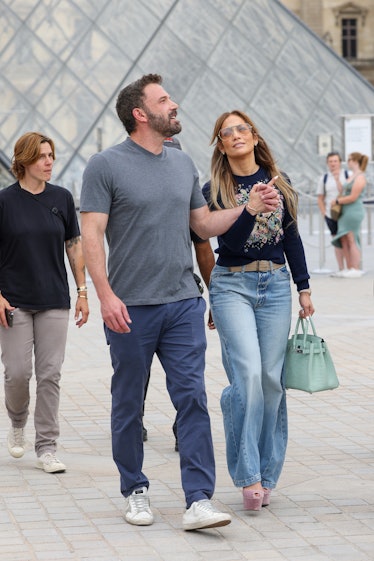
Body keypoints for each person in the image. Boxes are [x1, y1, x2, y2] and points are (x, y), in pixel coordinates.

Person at [80, 74, 279, 530]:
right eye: (164, 100)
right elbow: (91, 234)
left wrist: (246, 210)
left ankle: (198, 499)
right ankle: (136, 490)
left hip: (183, 302)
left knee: (192, 399)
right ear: (140, 113)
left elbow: (205, 225)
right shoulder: (104, 165)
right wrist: (105, 295)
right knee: (129, 402)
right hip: (129, 306)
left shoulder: (183, 163)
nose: (174, 105)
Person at [202, 110, 314, 511]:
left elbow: (292, 238)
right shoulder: (213, 188)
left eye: (241, 129)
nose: (235, 136)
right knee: (246, 374)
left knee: (271, 380)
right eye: (226, 132)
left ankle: (268, 475)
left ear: (253, 136)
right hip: (232, 284)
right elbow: (227, 246)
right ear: (220, 144)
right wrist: (248, 210)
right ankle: (247, 475)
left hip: (277, 285)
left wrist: (303, 287)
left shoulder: (279, 184)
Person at [0, 132, 89, 473]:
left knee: (50, 374)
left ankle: (47, 446)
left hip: (54, 298)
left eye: (51, 155)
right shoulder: (5, 201)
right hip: (14, 301)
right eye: (41, 156)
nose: (49, 161)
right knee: (18, 374)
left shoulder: (62, 198)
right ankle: (18, 420)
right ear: (23, 161)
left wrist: (82, 292)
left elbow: (74, 245)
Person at [141, 136, 216, 448]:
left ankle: (172, 424)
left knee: (183, 373)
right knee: (160, 372)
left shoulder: (184, 198)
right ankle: (143, 421)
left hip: (176, 295)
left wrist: (216, 297)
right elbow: (204, 252)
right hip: (141, 296)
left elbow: (204, 250)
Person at [330, 151, 368, 278]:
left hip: (353, 211)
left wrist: (336, 201)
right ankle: (349, 267)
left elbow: (353, 197)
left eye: (350, 159)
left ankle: (355, 268)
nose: (348, 162)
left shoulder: (360, 177)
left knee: (352, 238)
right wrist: (337, 180)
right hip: (345, 211)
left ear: (355, 161)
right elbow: (344, 191)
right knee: (344, 238)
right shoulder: (352, 175)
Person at [316, 151, 349, 272]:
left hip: (346, 213)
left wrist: (338, 180)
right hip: (331, 214)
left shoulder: (346, 175)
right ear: (327, 163)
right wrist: (324, 212)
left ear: (340, 162)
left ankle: (350, 267)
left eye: (335, 161)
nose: (333, 164)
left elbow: (349, 193)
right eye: (330, 161)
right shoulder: (324, 178)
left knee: (347, 240)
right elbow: (320, 197)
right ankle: (341, 268)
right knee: (337, 241)